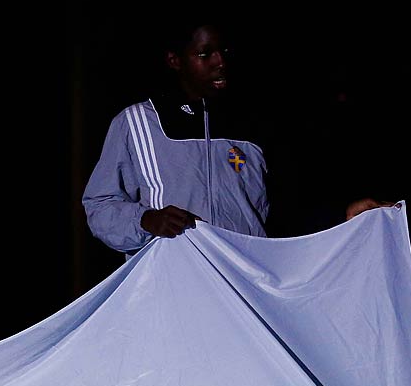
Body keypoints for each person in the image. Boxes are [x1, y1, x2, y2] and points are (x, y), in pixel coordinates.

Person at [81, 21, 273, 252]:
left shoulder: (252, 126)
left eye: (224, 51)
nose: (219, 62)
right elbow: (99, 206)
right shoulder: (137, 122)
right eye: (205, 54)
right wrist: (146, 220)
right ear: (175, 60)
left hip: (240, 279)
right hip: (171, 280)